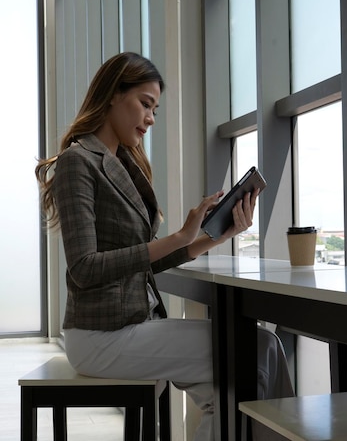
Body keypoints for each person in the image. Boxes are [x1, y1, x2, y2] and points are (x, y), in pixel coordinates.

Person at [35, 51, 293, 440]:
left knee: (253, 362)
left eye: (154, 108)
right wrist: (180, 237)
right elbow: (84, 268)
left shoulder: (122, 163)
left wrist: (216, 236)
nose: (151, 119)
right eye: (145, 104)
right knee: (256, 349)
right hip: (102, 336)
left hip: (133, 326)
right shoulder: (79, 162)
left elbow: (143, 263)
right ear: (111, 96)